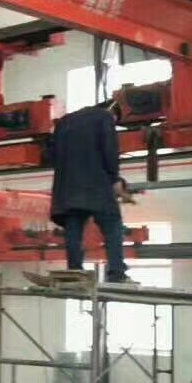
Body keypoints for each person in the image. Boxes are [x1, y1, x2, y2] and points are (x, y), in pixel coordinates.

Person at [50, 99, 133, 284]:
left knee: (73, 228)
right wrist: (114, 179)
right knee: (112, 226)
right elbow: (110, 151)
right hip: (97, 185)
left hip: (67, 189)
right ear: (112, 111)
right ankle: (116, 273)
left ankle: (74, 273)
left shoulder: (63, 122)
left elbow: (52, 156)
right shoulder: (104, 117)